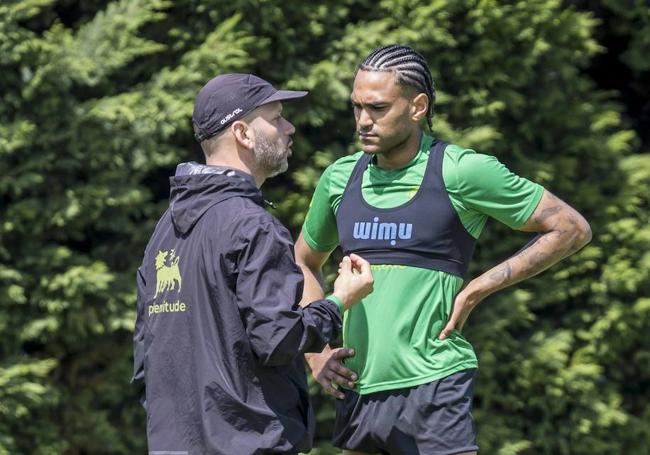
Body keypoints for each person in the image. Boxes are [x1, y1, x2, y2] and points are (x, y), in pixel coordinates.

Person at [295, 44, 592, 455]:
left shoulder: (460, 170)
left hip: (434, 384)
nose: (363, 121)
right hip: (359, 389)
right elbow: (304, 262)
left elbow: (570, 228)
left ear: (418, 107)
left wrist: (477, 289)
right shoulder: (339, 178)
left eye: (378, 108)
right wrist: (317, 354)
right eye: (357, 107)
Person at [132, 73, 374, 455]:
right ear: (243, 133)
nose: (289, 127)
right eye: (276, 118)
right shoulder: (252, 226)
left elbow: (144, 357)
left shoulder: (163, 231)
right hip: (250, 444)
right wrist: (337, 301)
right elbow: (277, 339)